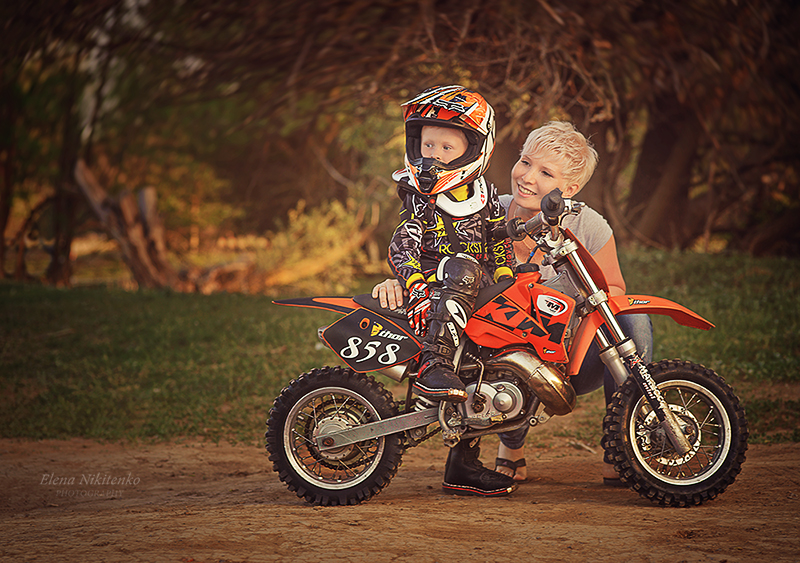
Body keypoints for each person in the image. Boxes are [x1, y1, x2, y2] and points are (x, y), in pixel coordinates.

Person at [374, 120, 652, 486]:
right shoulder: (483, 210)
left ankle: (621, 442)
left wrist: (570, 315)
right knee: (497, 328)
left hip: (571, 355)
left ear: (570, 189)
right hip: (501, 356)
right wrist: (397, 281)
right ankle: (509, 445)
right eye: (525, 162)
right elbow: (433, 257)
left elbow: (614, 290)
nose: (527, 177)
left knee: (634, 320)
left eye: (545, 173)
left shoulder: (589, 225)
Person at [386, 85, 517, 496]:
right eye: (428, 145)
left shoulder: (486, 194)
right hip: (433, 279)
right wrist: (414, 283)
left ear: (473, 149)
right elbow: (402, 243)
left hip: (472, 285)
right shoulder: (419, 196)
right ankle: (433, 363)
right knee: (463, 267)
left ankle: (463, 464)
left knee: (484, 366)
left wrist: (507, 272)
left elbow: (496, 237)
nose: (434, 155)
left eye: (446, 147)